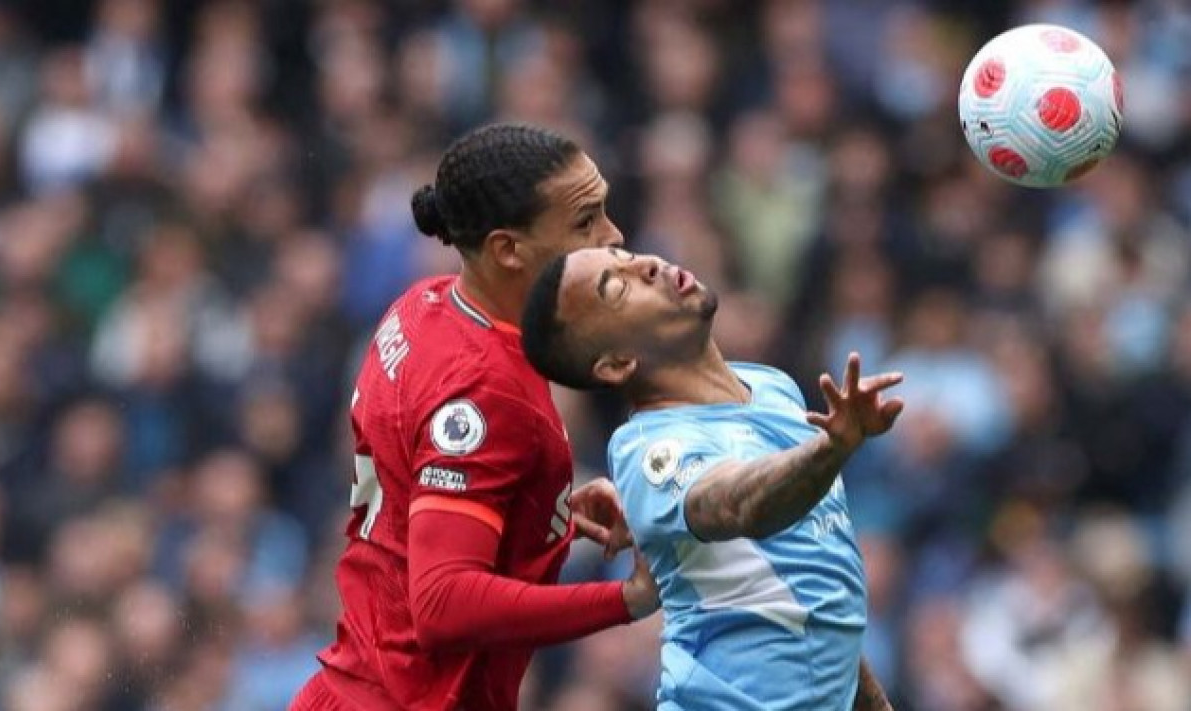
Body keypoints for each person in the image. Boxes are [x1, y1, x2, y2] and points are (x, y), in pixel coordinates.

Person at [289, 125, 659, 711]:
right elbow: (441, 603)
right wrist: (625, 600)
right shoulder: (486, 390)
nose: (613, 236)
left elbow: (428, 494)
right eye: (584, 221)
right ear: (508, 249)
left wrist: (547, 510)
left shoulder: (423, 306)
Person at [520, 246, 903, 710]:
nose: (647, 265)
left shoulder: (771, 387)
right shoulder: (648, 451)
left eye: (625, 255)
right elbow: (737, 506)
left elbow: (811, 595)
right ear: (618, 362)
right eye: (619, 287)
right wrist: (834, 448)